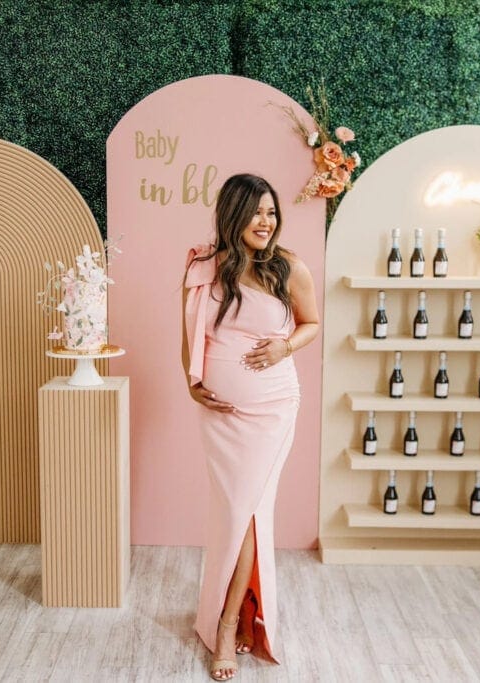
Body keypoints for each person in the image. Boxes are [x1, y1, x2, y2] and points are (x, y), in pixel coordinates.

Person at [181, 173, 319, 680]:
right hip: (219, 416)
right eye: (257, 212)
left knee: (248, 511)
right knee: (235, 512)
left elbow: (312, 324)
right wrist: (191, 380)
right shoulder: (203, 268)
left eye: (272, 212)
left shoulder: (289, 268)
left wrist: (286, 346)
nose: (267, 221)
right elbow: (189, 334)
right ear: (233, 214)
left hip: (274, 407)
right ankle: (240, 614)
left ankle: (225, 626)